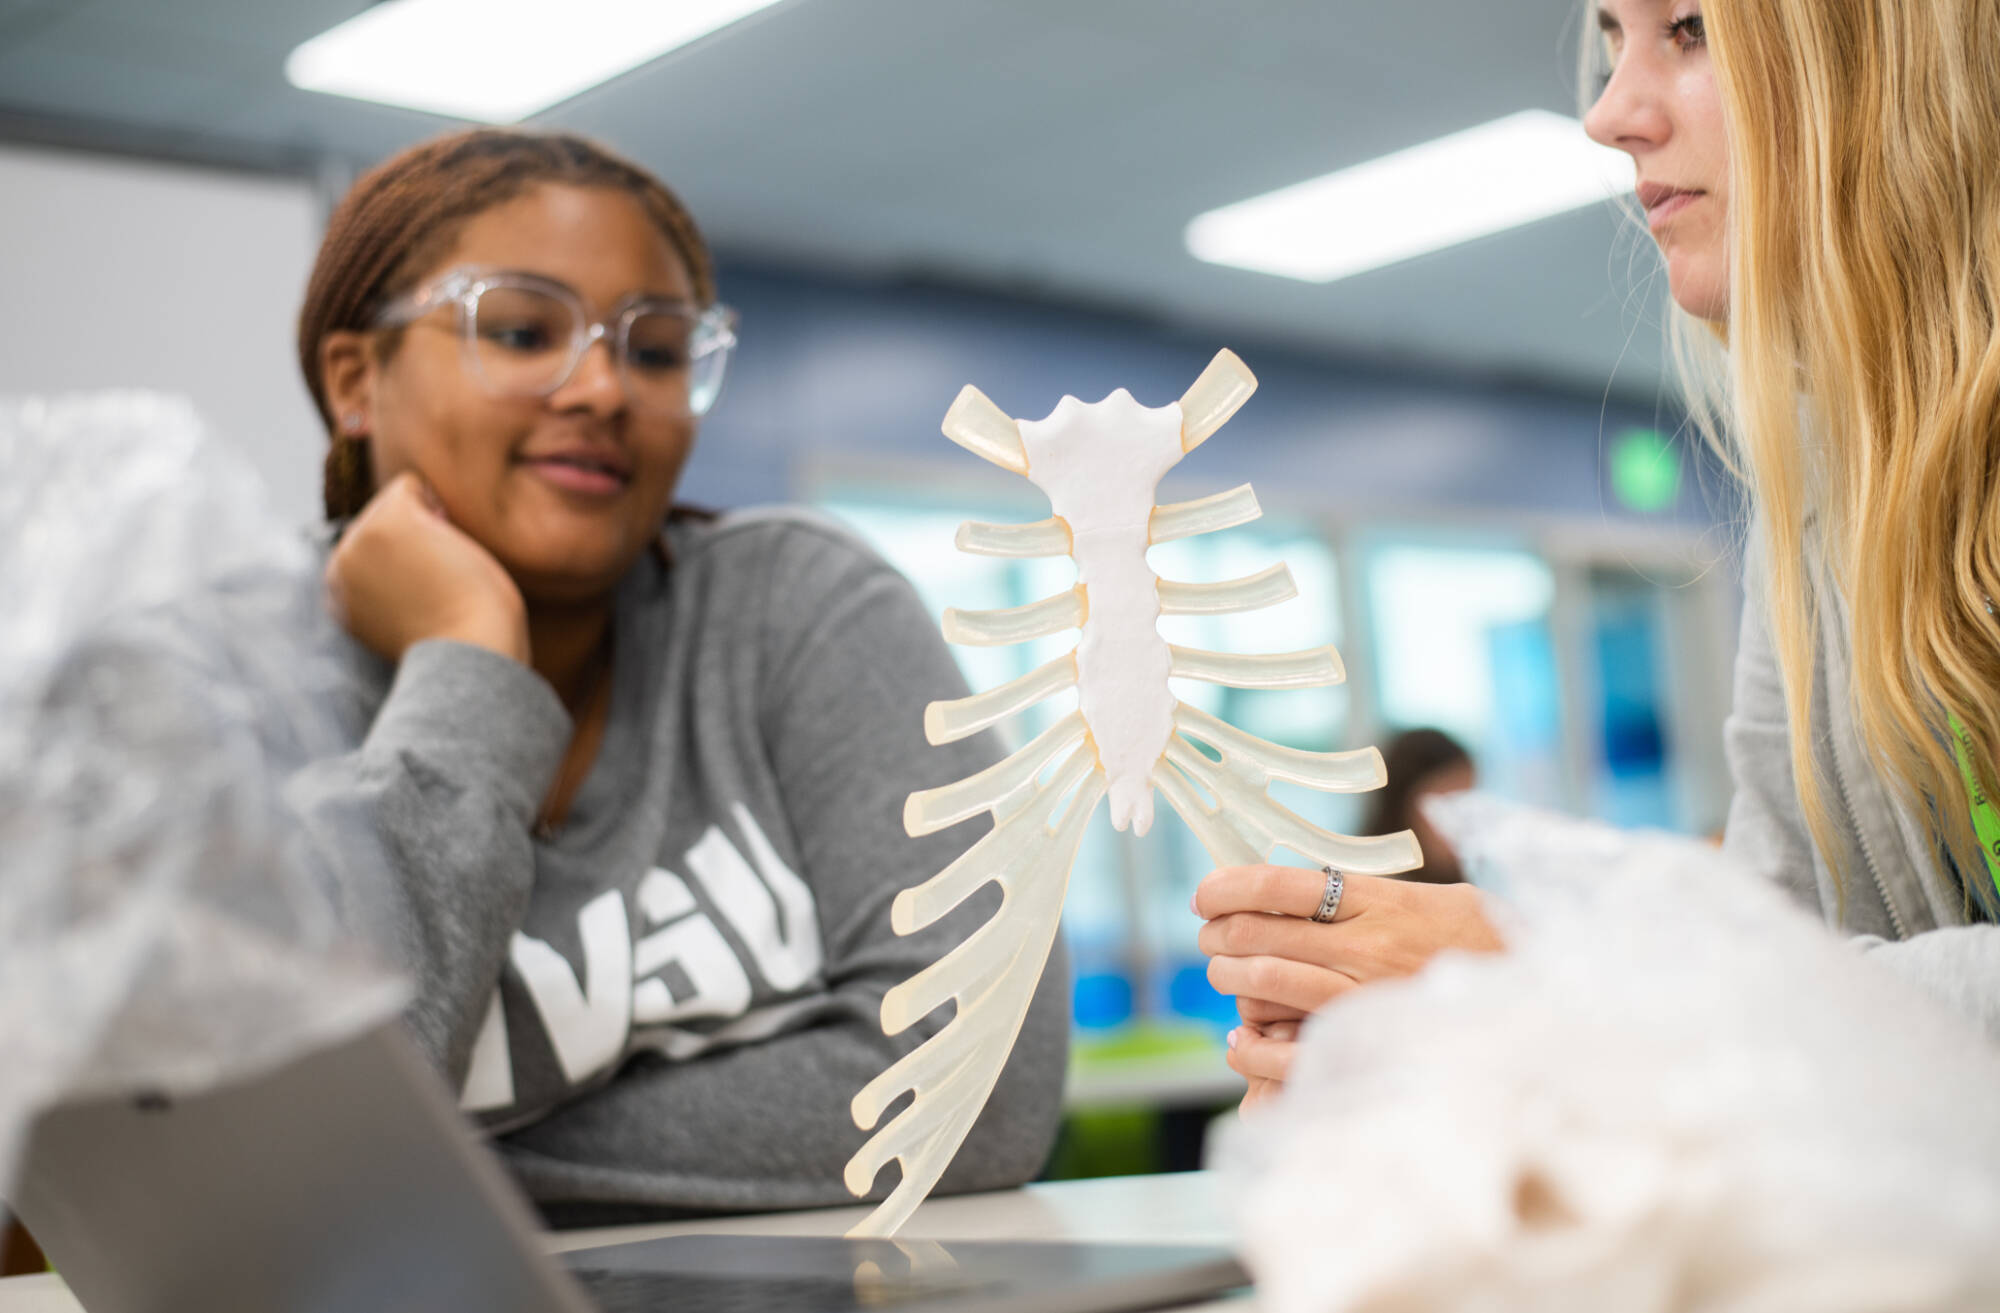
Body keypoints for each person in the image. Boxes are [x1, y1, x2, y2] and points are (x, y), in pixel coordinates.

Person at [240, 128, 1065, 1218]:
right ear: (355, 380)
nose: (600, 387)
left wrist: (427, 1172)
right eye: (523, 329)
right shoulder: (234, 683)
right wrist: (467, 656)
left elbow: (978, 1083)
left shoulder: (798, 609)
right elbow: (272, 1164)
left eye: (656, 350)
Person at [1199, 0, 2000, 1106]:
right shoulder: (1819, 490)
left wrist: (1570, 978)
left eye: (1688, 29)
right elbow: (1784, 940)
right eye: (1611, 39)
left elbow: (1767, 993)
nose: (1608, 111)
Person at [1360, 729, 1476, 885]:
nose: (1463, 825)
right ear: (1400, 803)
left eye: (1469, 804)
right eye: (1448, 804)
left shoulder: (1472, 890)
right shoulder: (1361, 887)